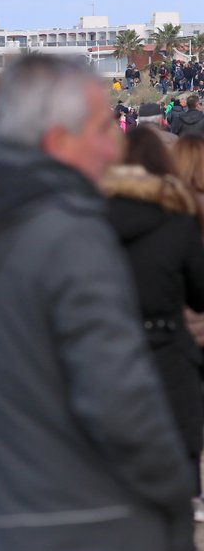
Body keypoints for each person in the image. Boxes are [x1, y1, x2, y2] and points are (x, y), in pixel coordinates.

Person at [0, 55, 195, 551]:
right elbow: (118, 402)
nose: (114, 145)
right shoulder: (70, 234)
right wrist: (174, 488)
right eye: (104, 128)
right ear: (58, 139)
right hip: (86, 526)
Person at [100, 127, 204, 521]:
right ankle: (189, 496)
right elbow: (199, 292)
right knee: (180, 430)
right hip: (167, 340)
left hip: (110, 343)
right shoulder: (177, 222)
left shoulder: (92, 218)